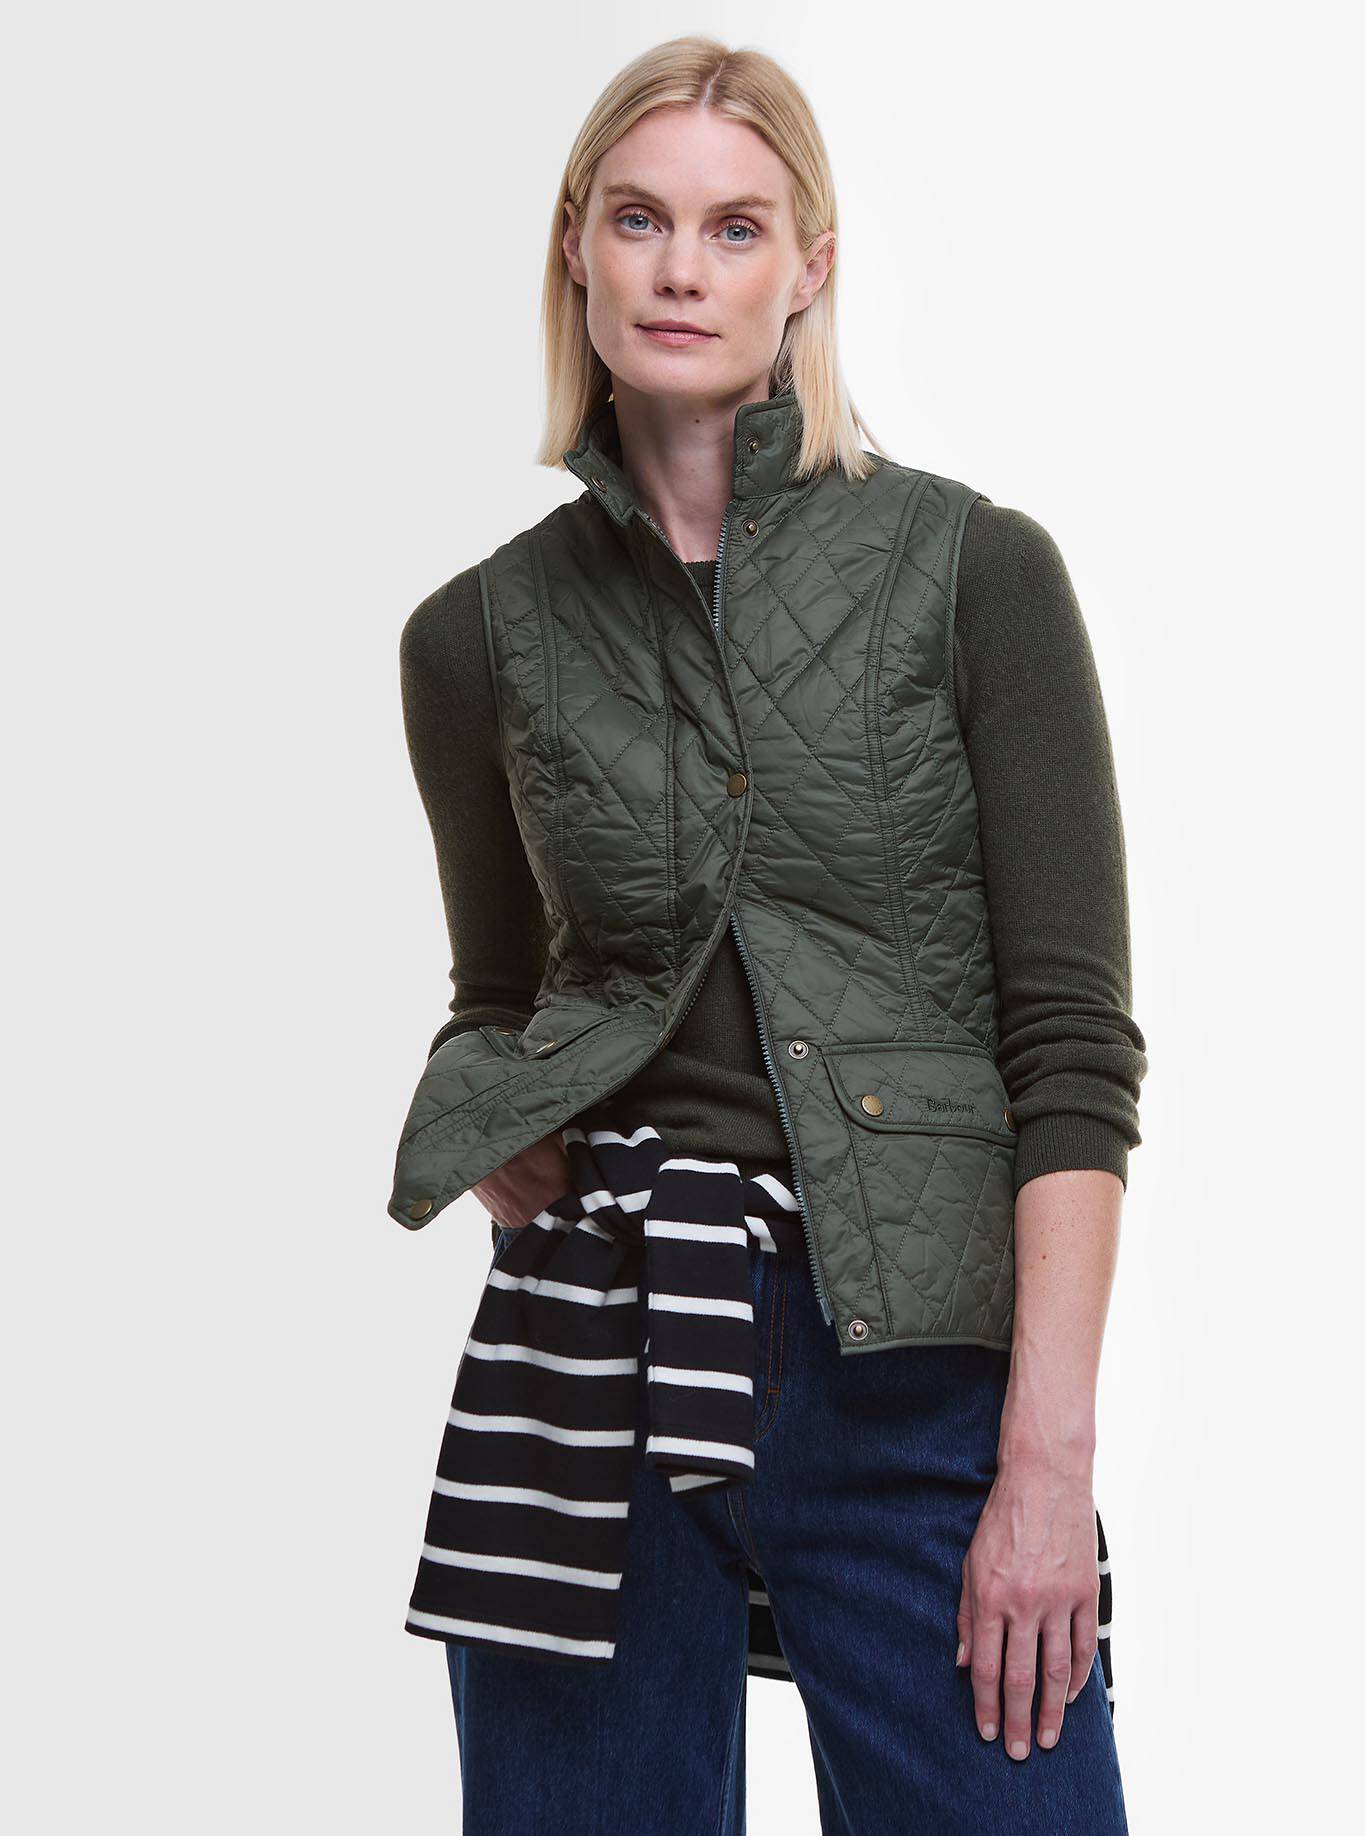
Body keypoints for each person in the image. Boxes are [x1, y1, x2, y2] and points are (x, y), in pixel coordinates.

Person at [391, 34, 1147, 1835]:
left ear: (808, 266)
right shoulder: (473, 637)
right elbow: (498, 998)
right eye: (639, 219)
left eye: (735, 228)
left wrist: (1046, 1461)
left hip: (908, 1372)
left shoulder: (975, 573)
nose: (681, 269)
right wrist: (489, 1117)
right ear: (576, 244)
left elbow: (1071, 1049)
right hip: (589, 1347)